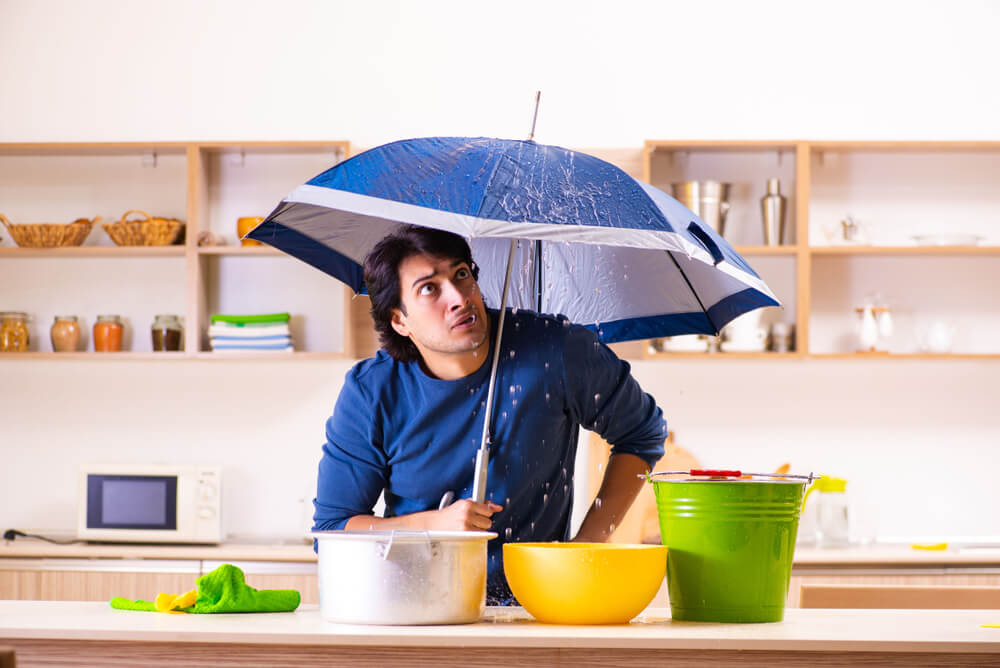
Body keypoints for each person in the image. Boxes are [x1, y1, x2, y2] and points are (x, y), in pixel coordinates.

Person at [313, 225, 667, 602]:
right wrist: (433, 526)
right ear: (400, 320)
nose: (459, 298)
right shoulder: (372, 390)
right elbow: (335, 530)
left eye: (461, 275)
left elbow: (642, 434)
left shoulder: (557, 350)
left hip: (537, 604)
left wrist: (588, 544)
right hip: (413, 605)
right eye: (429, 288)